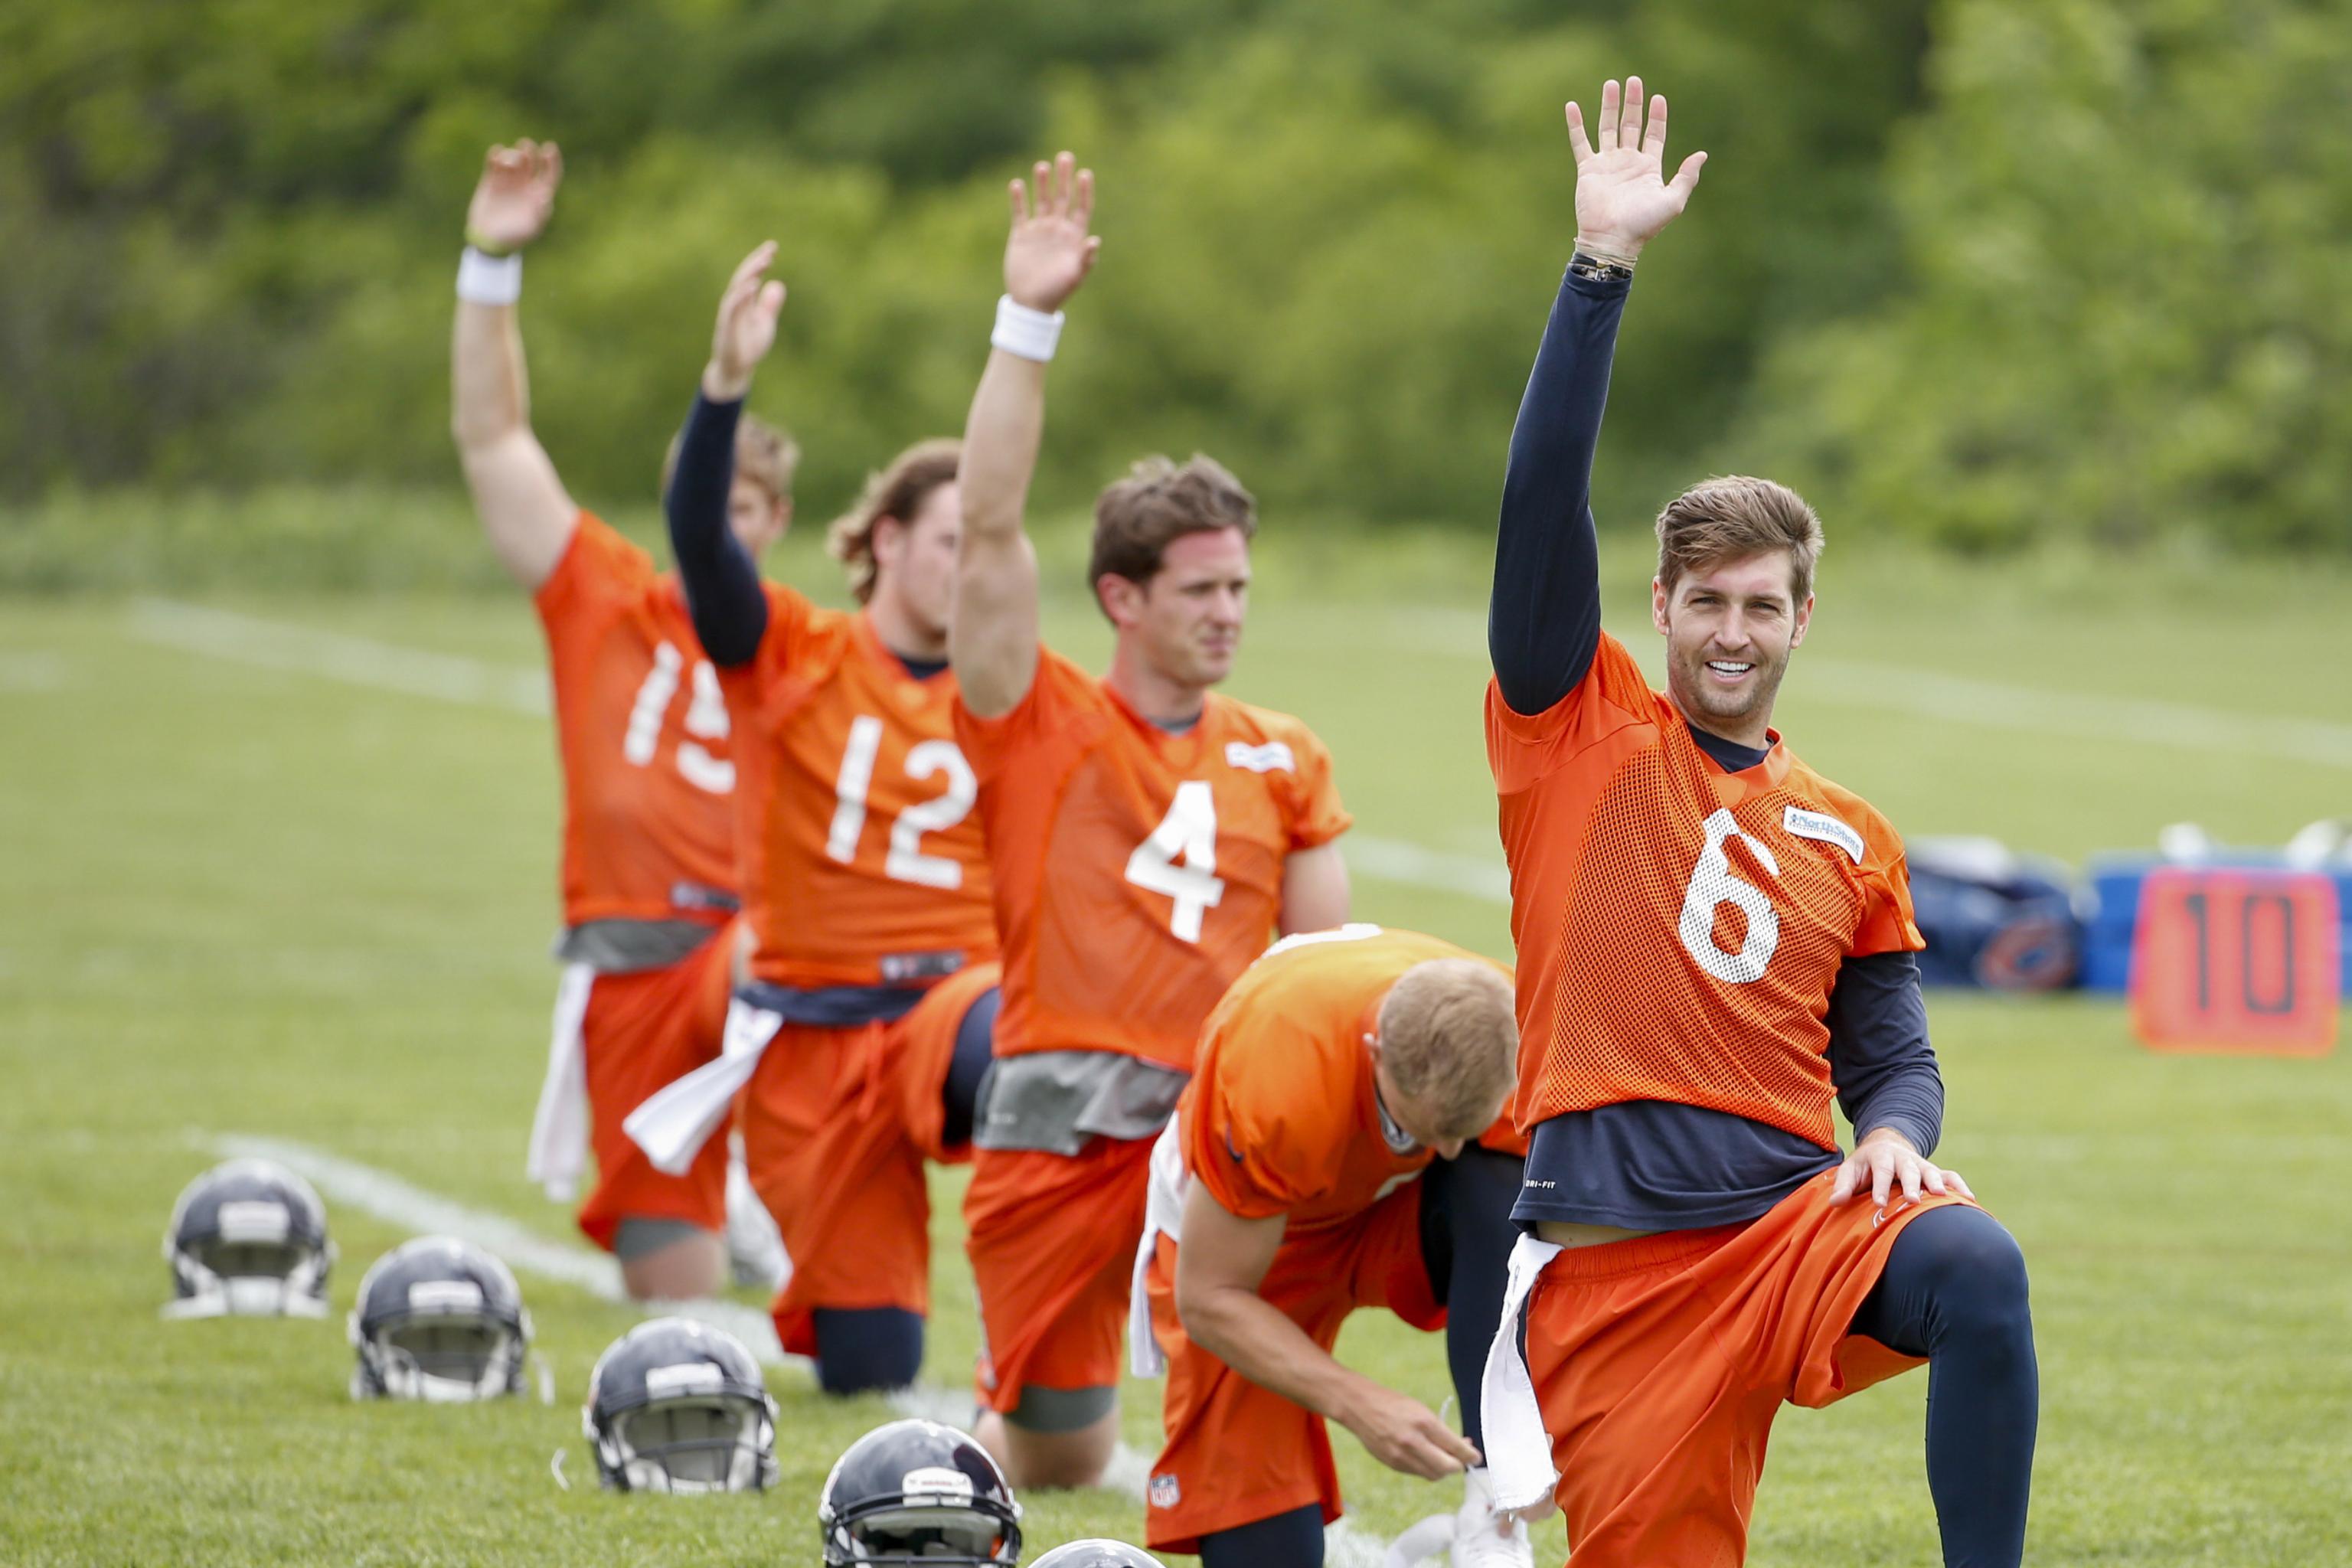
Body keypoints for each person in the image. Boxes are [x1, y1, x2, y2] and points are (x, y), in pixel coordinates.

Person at [1475, 80, 2038, 1567]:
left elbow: (1892, 1048)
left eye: (1761, 605)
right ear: (1659, 607)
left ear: (1802, 619)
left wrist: (1902, 1140)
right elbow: (1541, 503)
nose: (1733, 630)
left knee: (1976, 1264)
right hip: (1619, 1265)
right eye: (1706, 602)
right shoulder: (1576, 731)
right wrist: (1601, 273)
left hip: (1793, 1228)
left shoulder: (1851, 834)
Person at [950, 152, 1354, 1488]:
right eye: (1197, 588)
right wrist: (1028, 321)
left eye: (1238, 585)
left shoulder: (1285, 754)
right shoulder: (1045, 723)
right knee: (1059, 1457)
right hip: (1060, 1125)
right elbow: (990, 527)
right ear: (1122, 598)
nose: (1227, 610)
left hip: (1207, 1131)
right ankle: (971, 1448)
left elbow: (1314, 979)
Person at [635, 243, 1001, 1396]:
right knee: (869, 1366)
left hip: (956, 1005)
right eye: (953, 540)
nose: (972, 568)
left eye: (987, 545)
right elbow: (700, 541)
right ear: (887, 539)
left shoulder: (1015, 689)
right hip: (814, 1035)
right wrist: (724, 387)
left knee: (1039, 1066)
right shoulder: (793, 650)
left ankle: (1062, 1315)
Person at [451, 140, 792, 1301]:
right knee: (673, 1301)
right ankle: (721, 1192)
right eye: (707, 506)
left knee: (792, 962)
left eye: (744, 512)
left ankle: (786, 1170)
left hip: (750, 954)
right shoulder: (602, 596)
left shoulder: (801, 639)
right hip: (632, 965)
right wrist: (492, 262)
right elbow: (496, 440)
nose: (719, 534)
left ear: (779, 518)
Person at [1135, 925, 1531, 1567]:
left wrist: (1539, 1424)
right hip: (1258, 1249)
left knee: (1495, 1183)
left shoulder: (1520, 1031)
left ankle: (1493, 1507)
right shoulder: (1275, 1070)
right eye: (1410, 1126)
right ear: (1373, 1052)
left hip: (1388, 1215)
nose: (1450, 1149)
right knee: (1264, 1552)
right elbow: (1208, 1298)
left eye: (1467, 1127)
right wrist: (1362, 1404)